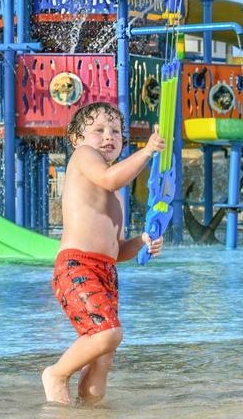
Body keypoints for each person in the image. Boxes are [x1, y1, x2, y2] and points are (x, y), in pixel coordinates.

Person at [42, 102, 165, 405]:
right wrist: (148, 150)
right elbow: (111, 178)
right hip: (76, 266)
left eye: (116, 131)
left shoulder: (117, 194)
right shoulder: (84, 158)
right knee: (107, 333)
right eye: (98, 130)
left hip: (106, 271)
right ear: (76, 139)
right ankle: (56, 374)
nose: (109, 136)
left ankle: (92, 410)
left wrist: (143, 240)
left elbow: (117, 248)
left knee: (103, 357)